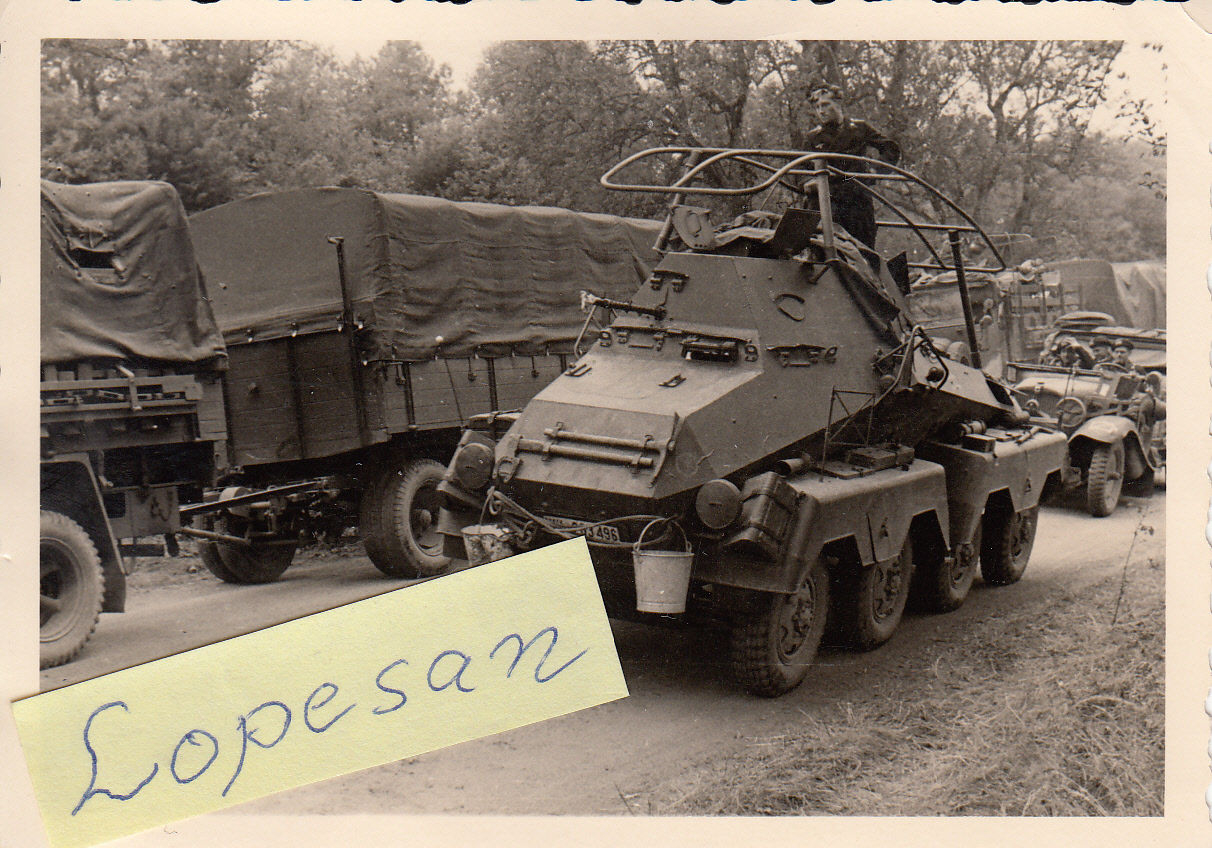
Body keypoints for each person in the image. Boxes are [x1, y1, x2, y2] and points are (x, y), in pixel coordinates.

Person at [802, 84, 901, 251]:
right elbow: (800, 169)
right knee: (826, 252)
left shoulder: (859, 128)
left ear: (838, 104)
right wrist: (808, 183)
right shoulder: (813, 137)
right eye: (817, 107)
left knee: (863, 251)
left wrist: (875, 172)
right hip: (828, 203)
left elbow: (891, 149)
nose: (821, 111)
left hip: (857, 202)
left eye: (825, 105)